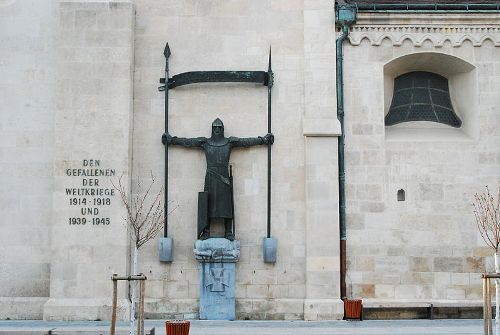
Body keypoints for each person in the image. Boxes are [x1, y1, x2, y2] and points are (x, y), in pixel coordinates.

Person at [162, 118, 274, 241]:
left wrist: (262, 140)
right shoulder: (205, 142)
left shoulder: (229, 142)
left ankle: (228, 231)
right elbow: (188, 142)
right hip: (210, 176)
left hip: (224, 177)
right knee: (208, 203)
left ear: (222, 129)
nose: (217, 129)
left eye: (219, 127)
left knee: (226, 204)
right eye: (215, 127)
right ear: (211, 128)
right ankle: (206, 231)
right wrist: (172, 140)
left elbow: (245, 142)